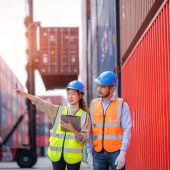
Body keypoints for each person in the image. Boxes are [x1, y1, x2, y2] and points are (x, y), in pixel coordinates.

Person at [14, 80, 91, 170]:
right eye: (68, 93)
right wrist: (24, 94)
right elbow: (42, 103)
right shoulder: (58, 111)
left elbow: (85, 140)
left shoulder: (85, 116)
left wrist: (73, 130)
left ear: (80, 95)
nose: (70, 96)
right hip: (56, 156)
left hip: (73, 157)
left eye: (73, 94)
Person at [87, 71, 132, 170]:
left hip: (116, 153)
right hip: (98, 153)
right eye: (98, 86)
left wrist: (123, 153)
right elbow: (89, 130)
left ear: (111, 88)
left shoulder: (122, 105)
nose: (98, 89)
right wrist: (89, 152)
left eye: (102, 87)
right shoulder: (93, 104)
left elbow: (127, 130)